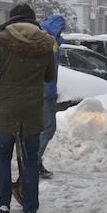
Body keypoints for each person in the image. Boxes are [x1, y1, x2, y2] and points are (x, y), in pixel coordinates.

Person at [0, 3, 57, 213]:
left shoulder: (1, 40)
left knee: (3, 157)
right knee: (31, 159)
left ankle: (3, 205)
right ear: (33, 19)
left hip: (6, 109)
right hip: (32, 111)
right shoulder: (45, 42)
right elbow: (49, 76)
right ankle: (30, 208)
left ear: (12, 18)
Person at [37, 14, 66, 179]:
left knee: (42, 128)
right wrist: (50, 91)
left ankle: (35, 161)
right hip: (45, 93)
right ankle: (34, 161)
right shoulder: (49, 41)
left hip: (43, 91)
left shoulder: (44, 37)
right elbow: (46, 69)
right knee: (48, 128)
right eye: (61, 28)